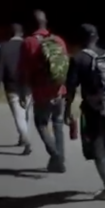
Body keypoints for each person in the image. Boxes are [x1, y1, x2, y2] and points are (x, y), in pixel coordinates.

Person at [66, 24, 105, 199]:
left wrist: (67, 110)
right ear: (96, 38)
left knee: (96, 147)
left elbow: (70, 88)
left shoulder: (78, 59)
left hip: (92, 109)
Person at [20, 10, 69, 173]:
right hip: (59, 89)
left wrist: (24, 91)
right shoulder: (58, 40)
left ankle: (55, 156)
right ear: (45, 22)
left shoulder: (28, 42)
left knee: (41, 123)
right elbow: (64, 64)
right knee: (58, 123)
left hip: (41, 91)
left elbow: (25, 70)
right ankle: (60, 159)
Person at [0, 23, 32, 155]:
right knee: (26, 112)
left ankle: (26, 139)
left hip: (12, 85)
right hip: (28, 84)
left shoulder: (4, 47)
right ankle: (23, 136)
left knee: (18, 114)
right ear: (22, 33)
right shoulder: (28, 45)